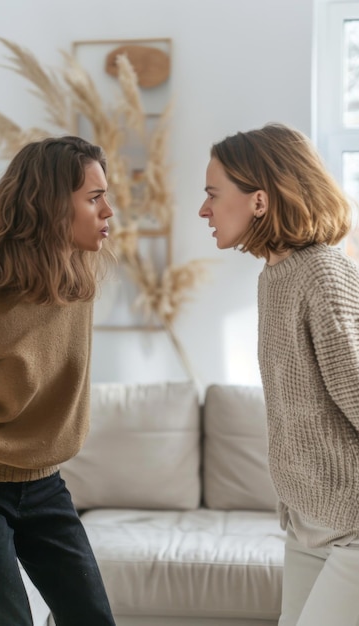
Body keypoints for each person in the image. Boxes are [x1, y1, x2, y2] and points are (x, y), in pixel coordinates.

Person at [0, 136, 117, 626]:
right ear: (50, 206)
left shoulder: (76, 283)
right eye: (93, 197)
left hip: (43, 485)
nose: (108, 211)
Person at [199, 123, 359, 626]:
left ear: (260, 201)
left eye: (212, 194)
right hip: (308, 523)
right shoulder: (276, 276)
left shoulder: (323, 274)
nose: (203, 210)